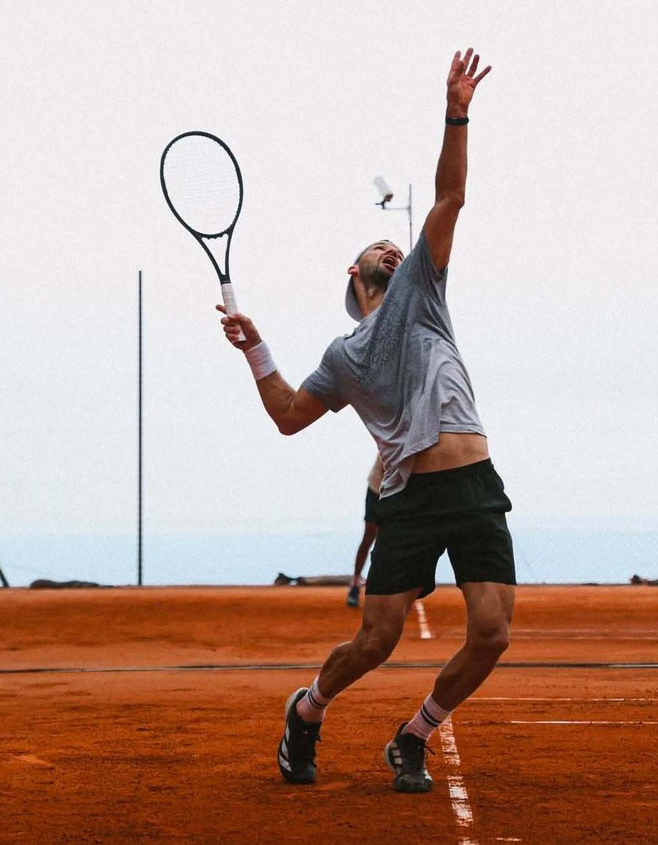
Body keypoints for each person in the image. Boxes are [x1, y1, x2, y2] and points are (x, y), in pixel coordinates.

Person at [218, 48, 515, 794]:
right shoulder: (343, 355)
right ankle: (307, 710)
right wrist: (256, 350)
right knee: (376, 639)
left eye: (395, 246)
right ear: (355, 274)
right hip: (409, 498)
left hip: (473, 481)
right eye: (376, 247)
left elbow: (451, 196)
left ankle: (413, 736)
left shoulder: (422, 287)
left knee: (491, 633)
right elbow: (289, 415)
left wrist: (456, 113)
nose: (392, 247)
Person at [346, 455, 383, 608]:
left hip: (396, 492)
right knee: (369, 536)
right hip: (376, 490)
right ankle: (355, 583)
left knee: (390, 541)